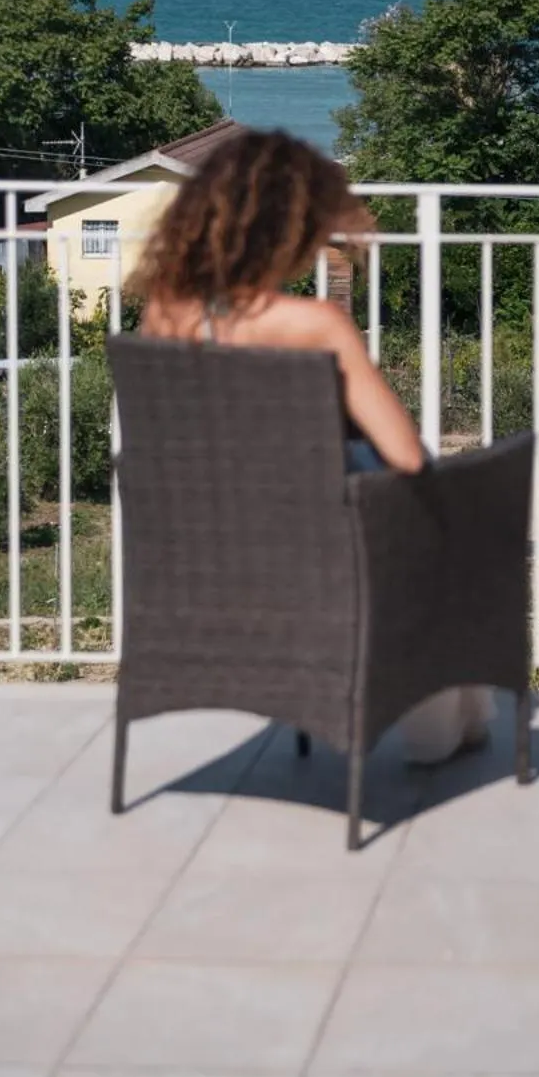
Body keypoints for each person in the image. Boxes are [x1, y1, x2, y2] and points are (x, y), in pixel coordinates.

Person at [133, 126, 490, 763]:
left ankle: (454, 708)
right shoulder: (314, 324)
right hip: (324, 555)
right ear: (291, 232)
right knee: (443, 509)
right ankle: (438, 717)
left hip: (206, 555)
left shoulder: (162, 315)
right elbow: (407, 455)